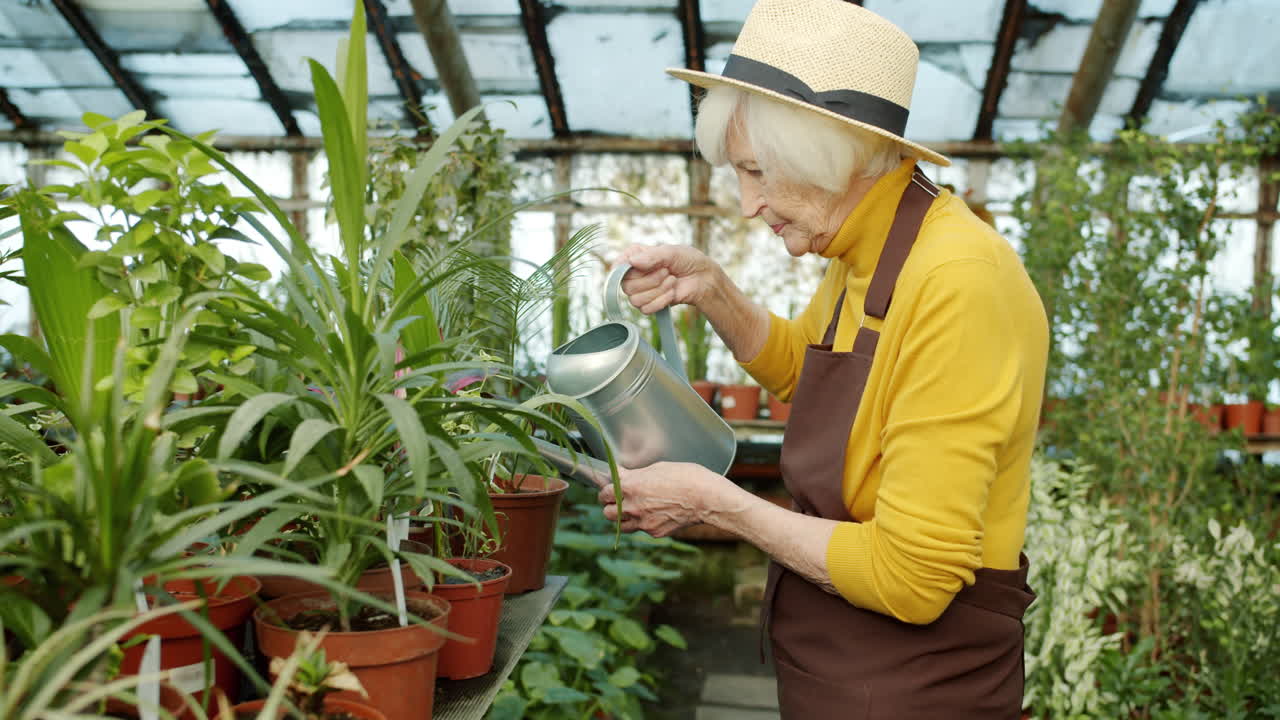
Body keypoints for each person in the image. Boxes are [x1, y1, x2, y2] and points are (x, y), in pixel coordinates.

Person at [595, 1, 1048, 717]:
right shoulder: (865, 249)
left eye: (756, 171)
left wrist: (716, 503)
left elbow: (913, 577)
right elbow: (815, 381)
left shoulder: (959, 281)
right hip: (838, 665)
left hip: (916, 687)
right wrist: (711, 289)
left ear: (826, 154)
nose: (747, 204)